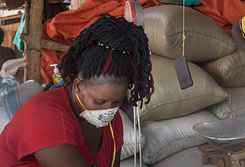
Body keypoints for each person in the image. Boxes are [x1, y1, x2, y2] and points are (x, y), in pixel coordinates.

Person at [0, 14, 154, 166]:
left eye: (116, 102)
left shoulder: (112, 123)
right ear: (78, 86)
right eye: (99, 101)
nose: (108, 110)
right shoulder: (45, 115)